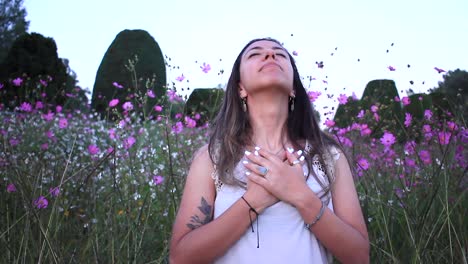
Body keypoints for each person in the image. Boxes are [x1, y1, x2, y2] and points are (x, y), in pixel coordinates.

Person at [169, 38, 369, 264]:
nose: (270, 56)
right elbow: (181, 257)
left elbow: (359, 256)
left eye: (280, 54)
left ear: (293, 87)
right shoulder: (212, 158)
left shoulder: (328, 156)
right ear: (240, 88)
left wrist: (301, 196)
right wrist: (254, 200)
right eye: (255, 54)